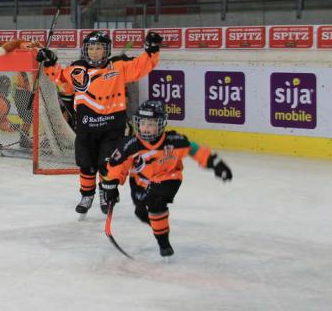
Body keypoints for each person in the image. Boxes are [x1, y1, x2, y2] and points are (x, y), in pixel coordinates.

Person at [36, 30, 162, 217]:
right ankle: (87, 196)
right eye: (92, 48)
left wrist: (152, 50)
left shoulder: (119, 66)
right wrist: (50, 63)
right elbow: (62, 81)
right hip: (86, 129)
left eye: (99, 47)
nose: (95, 51)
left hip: (112, 128)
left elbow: (141, 66)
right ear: (86, 50)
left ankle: (105, 193)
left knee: (107, 165)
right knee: (86, 165)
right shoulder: (78, 68)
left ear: (107, 49)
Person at [99, 100, 233, 257]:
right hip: (141, 182)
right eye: (143, 124)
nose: (146, 128)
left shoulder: (173, 141)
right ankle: (159, 225)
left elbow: (194, 149)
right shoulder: (130, 146)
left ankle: (163, 243)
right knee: (141, 212)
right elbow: (116, 167)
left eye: (151, 124)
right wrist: (110, 186)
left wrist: (215, 163)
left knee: (156, 204)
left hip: (169, 177)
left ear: (161, 124)